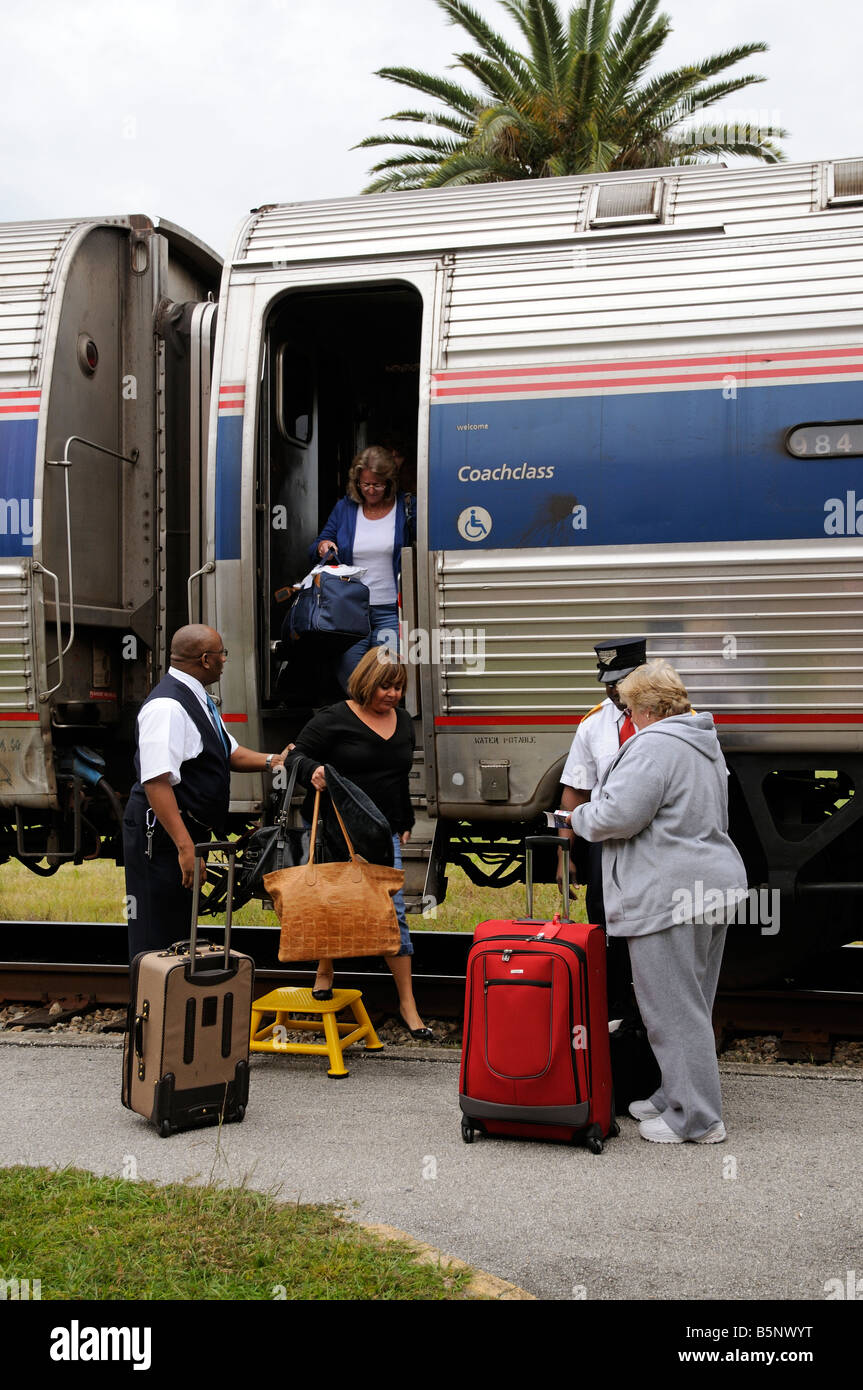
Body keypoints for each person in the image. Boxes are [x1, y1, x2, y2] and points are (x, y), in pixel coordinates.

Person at [565, 660, 747, 1144]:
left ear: (647, 708)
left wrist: (577, 816)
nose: (626, 717)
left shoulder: (654, 746)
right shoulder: (700, 742)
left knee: (670, 1010)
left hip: (669, 892)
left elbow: (618, 816)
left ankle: (697, 1120)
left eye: (628, 708)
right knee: (691, 1003)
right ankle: (674, 1095)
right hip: (710, 884)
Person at [286, 646, 432, 1040]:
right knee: (334, 904)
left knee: (392, 915)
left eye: (399, 687)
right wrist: (313, 769)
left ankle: (408, 1005)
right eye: (386, 686)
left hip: (381, 833)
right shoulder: (333, 718)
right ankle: (325, 969)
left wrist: (404, 819)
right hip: (337, 828)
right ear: (366, 682)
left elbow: (399, 776)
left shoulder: (402, 722)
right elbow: (293, 756)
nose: (394, 695)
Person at [123, 625, 290, 959]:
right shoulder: (168, 707)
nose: (225, 659)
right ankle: (148, 1009)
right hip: (161, 839)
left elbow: (228, 752)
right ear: (206, 659)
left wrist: (275, 761)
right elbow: (155, 781)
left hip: (180, 834)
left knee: (178, 933)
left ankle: (172, 1006)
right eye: (222, 653)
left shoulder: (196, 696)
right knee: (157, 936)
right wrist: (186, 848)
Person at [557, 637, 646, 1017]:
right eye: (607, 683)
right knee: (604, 922)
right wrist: (565, 855)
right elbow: (574, 792)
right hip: (604, 844)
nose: (612, 691)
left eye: (620, 682)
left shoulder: (676, 721)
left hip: (651, 843)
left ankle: (650, 1009)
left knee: (649, 925)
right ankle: (614, 1011)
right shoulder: (593, 725)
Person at [310, 446, 414, 692]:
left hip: (390, 609)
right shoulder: (345, 508)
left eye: (377, 485)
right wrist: (323, 546)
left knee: (387, 677)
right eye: (365, 484)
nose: (370, 490)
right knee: (352, 679)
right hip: (351, 610)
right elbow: (319, 543)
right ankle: (364, 727)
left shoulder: (406, 506)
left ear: (390, 483)